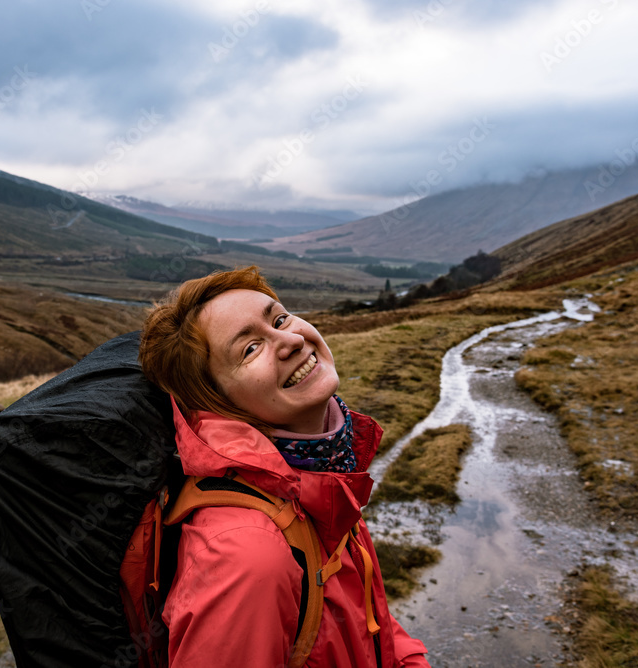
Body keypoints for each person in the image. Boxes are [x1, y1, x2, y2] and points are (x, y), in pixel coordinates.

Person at [138, 266, 430, 667]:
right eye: (249, 349)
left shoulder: (318, 474)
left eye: (279, 319)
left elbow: (370, 622)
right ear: (217, 401)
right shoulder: (246, 559)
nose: (290, 340)